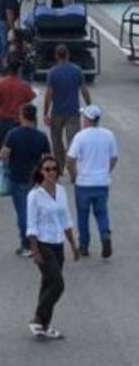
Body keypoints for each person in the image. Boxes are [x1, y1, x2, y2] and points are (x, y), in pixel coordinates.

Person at [26, 155, 80, 340]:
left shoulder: (61, 191)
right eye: (47, 169)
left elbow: (66, 220)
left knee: (47, 283)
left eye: (54, 169)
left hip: (58, 243)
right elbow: (31, 224)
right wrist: (35, 250)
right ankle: (38, 317)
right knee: (58, 284)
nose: (51, 173)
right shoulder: (34, 195)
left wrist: (73, 245)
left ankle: (44, 325)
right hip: (43, 243)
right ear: (41, 171)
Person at [66, 104, 118, 259]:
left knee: (83, 214)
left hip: (83, 183)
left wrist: (74, 174)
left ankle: (84, 245)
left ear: (87, 119)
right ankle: (105, 234)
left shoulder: (80, 136)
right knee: (101, 212)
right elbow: (114, 157)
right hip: (102, 182)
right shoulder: (108, 135)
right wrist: (106, 171)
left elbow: (70, 158)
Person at [0, 103, 51, 256]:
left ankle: (27, 244)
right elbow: (48, 158)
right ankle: (41, 241)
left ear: (22, 116)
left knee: (23, 213)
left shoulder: (13, 134)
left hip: (18, 178)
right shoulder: (41, 136)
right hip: (36, 180)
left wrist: (7, 164)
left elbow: (4, 154)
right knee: (37, 211)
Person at [44, 44, 91, 171]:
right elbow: (84, 90)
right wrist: (89, 106)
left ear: (56, 56)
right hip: (73, 111)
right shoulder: (77, 70)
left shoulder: (52, 72)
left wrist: (45, 113)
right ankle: (72, 168)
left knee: (57, 141)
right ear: (68, 55)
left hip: (57, 111)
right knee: (73, 141)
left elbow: (49, 95)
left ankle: (59, 167)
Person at [0, 59, 35, 156]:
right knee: (20, 150)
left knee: (1, 148)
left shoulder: (0, 84)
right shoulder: (25, 86)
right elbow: (30, 106)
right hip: (19, 121)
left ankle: (1, 169)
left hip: (3, 121)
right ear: (19, 70)